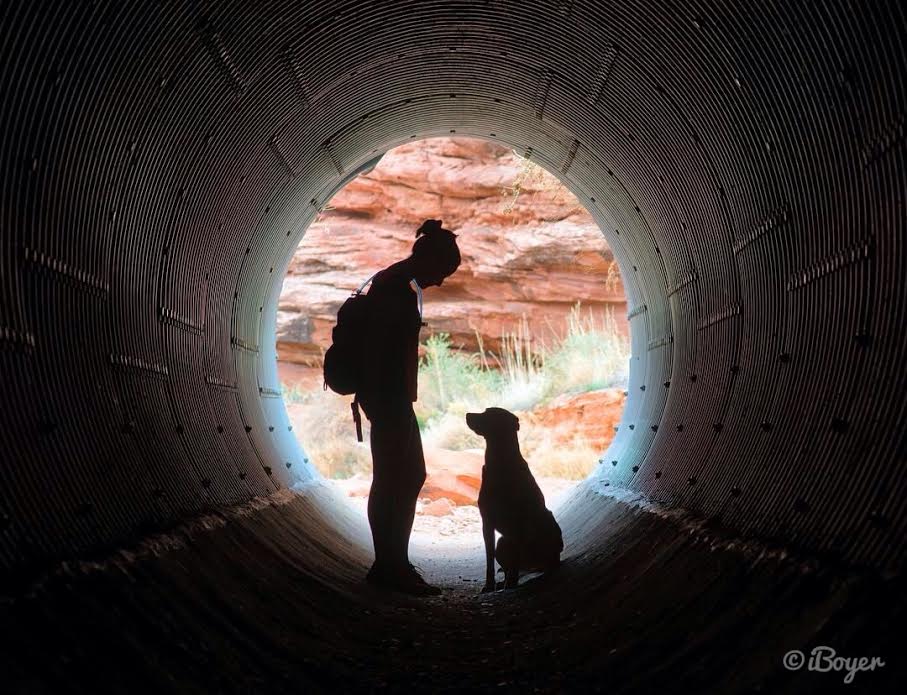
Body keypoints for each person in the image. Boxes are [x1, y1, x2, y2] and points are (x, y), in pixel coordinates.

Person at [357, 219, 461, 595]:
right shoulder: (396, 288)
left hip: (386, 396)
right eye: (443, 271)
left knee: (398, 477)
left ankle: (390, 564)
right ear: (428, 259)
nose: (443, 280)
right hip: (386, 397)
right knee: (398, 477)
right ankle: (390, 567)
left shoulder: (398, 282)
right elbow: (380, 349)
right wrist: (380, 397)